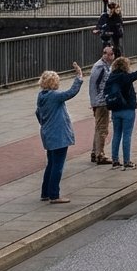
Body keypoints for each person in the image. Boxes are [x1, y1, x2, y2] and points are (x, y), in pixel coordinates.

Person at [36, 64, 84, 204]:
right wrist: (79, 77)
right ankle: (54, 195)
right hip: (59, 135)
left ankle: (45, 192)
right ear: (53, 82)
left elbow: (38, 113)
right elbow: (70, 93)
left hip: (47, 134)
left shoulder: (41, 96)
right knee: (58, 165)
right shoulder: (54, 96)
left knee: (51, 164)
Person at [103, 45, 137, 170]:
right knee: (127, 136)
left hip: (115, 110)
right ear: (126, 66)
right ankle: (126, 161)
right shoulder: (126, 77)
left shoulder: (111, 78)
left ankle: (115, 161)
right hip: (128, 109)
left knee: (116, 135)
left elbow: (105, 92)